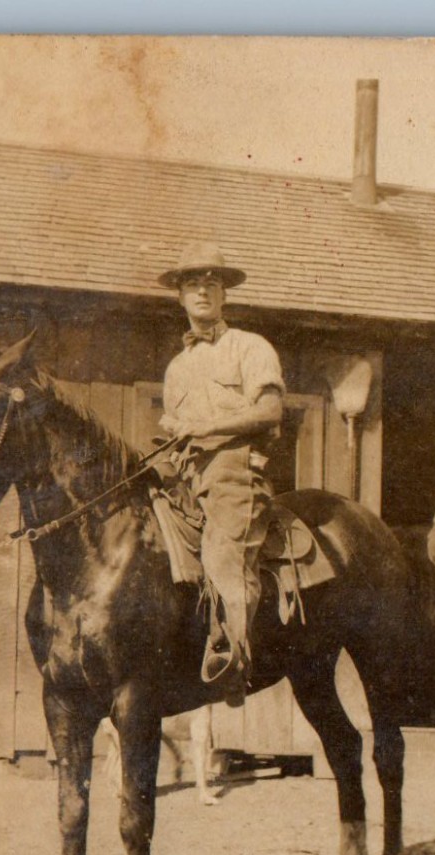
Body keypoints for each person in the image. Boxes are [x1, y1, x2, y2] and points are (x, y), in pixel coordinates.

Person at [156, 242, 286, 691]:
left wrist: (208, 426)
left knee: (223, 550)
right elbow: (176, 432)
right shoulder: (176, 368)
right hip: (188, 475)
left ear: (225, 293)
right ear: (180, 296)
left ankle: (234, 653)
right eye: (192, 283)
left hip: (234, 469)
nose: (202, 290)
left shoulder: (250, 348)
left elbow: (270, 412)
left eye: (212, 282)